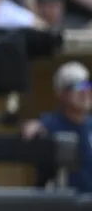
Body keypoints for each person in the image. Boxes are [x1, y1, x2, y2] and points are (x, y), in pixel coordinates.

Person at [22, 62, 92, 193]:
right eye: (76, 86)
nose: (84, 91)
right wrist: (33, 128)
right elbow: (32, 129)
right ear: (61, 93)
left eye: (87, 85)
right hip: (63, 201)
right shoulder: (49, 124)